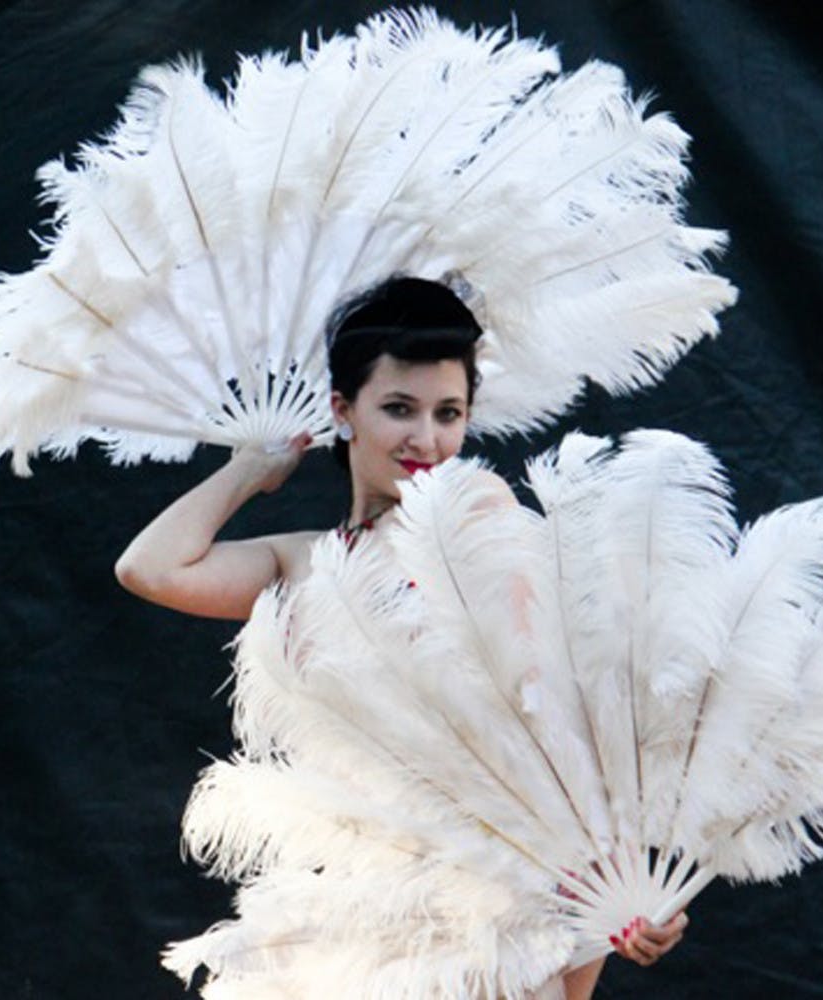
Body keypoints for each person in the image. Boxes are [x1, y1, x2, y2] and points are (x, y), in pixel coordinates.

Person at [115, 276, 687, 999]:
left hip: (485, 902)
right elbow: (149, 567)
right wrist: (249, 471)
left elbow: (548, 707)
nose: (427, 439)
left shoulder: (476, 515)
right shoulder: (300, 560)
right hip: (349, 905)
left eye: (449, 413)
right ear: (342, 411)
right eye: (398, 409)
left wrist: (619, 878)